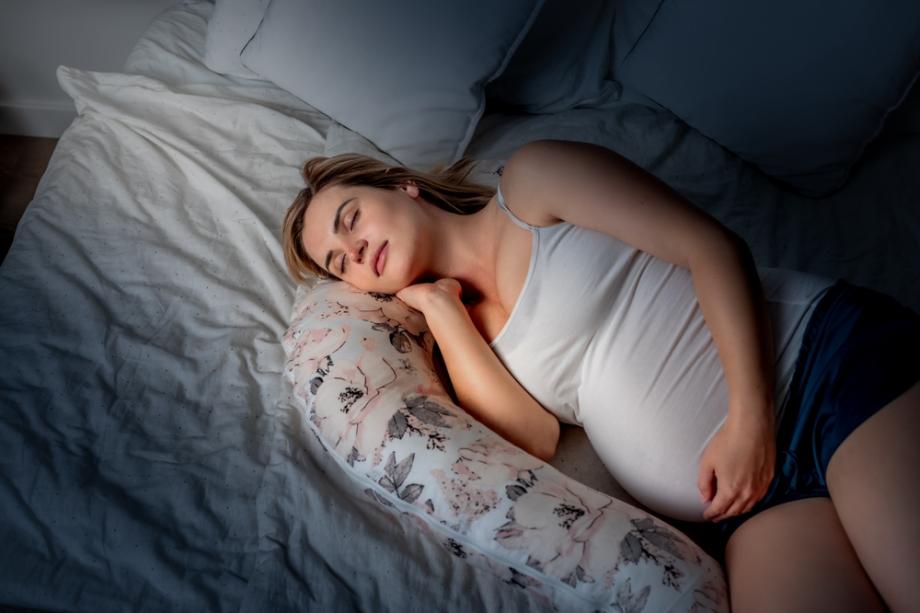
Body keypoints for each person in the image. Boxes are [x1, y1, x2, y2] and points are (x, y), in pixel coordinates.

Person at [281, 139, 920, 612]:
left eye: (351, 218)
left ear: (402, 187)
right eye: (340, 263)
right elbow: (532, 437)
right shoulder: (457, 342)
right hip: (750, 504)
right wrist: (442, 309)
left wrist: (750, 424)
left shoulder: (530, 184)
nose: (354, 250)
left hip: (820, 371)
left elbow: (712, 247)